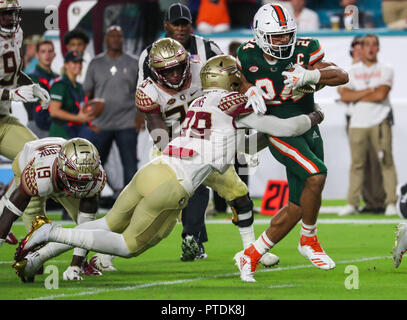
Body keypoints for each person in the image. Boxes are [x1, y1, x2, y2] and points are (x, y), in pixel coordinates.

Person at [12, 54, 324, 282]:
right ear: (229, 79)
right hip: (174, 183)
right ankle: (50, 231)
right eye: (238, 78)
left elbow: (240, 145)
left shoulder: (201, 103)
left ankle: (40, 253)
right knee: (127, 246)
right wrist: (314, 116)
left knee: (107, 225)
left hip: (154, 167)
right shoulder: (234, 104)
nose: (242, 83)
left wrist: (264, 139)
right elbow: (285, 128)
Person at [233, 3, 348, 282]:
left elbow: (341, 75)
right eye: (277, 36)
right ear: (260, 35)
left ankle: (252, 254)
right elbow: (238, 81)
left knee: (299, 204)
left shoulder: (305, 48)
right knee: (316, 174)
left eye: (287, 34)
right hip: (279, 129)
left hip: (307, 124)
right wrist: (247, 91)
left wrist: (312, 75)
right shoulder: (246, 54)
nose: (284, 40)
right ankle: (309, 240)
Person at [137, 2, 223, 261]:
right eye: (176, 23)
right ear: (166, 25)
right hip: (170, 130)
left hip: (205, 130)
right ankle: (189, 238)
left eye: (185, 23)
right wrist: (163, 141)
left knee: (212, 186)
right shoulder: (149, 54)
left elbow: (227, 83)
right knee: (170, 193)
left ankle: (246, 245)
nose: (181, 28)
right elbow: (147, 98)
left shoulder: (208, 48)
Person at [0, 137, 107, 281]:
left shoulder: (94, 175)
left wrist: (75, 265)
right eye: (75, 181)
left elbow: (86, 226)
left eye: (84, 182)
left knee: (87, 222)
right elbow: (10, 213)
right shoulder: (37, 175)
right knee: (34, 224)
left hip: (59, 173)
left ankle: (82, 263)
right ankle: (34, 255)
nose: (79, 188)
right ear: (61, 169)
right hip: (30, 161)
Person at [0, 0, 50, 244]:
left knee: (37, 157)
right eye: (5, 14)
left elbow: (13, 72)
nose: (11, 19)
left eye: (13, 13)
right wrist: (13, 94)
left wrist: (31, 86)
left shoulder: (17, 34)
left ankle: (35, 242)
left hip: (3, 120)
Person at [338, 34, 398, 217]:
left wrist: (357, 93)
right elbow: (344, 96)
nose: (371, 48)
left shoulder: (386, 68)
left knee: (386, 162)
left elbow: (381, 95)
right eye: (367, 45)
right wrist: (370, 90)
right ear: (361, 49)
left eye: (374, 45)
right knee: (357, 164)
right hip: (357, 123)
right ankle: (352, 203)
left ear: (378, 48)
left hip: (380, 121)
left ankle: (391, 203)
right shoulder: (351, 70)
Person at [83, 26, 139, 192]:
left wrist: (140, 116)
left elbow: (141, 91)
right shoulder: (95, 63)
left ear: (123, 40)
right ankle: (87, 199)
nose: (116, 39)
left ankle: (132, 205)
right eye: (112, 36)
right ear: (106, 39)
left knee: (130, 166)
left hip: (127, 122)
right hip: (101, 123)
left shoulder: (133, 62)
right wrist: (89, 115)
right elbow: (87, 92)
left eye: (119, 36)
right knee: (92, 166)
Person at [48, 50, 98, 142]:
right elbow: (54, 111)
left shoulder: (79, 86)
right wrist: (78, 118)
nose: (78, 65)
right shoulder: (60, 84)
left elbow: (81, 108)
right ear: (66, 65)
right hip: (60, 135)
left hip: (75, 133)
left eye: (80, 62)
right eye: (74, 62)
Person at [25, 39, 59, 139]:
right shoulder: (30, 78)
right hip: (36, 127)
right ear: (37, 55)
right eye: (43, 51)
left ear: (54, 54)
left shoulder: (57, 77)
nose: (47, 55)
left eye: (50, 51)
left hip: (55, 127)